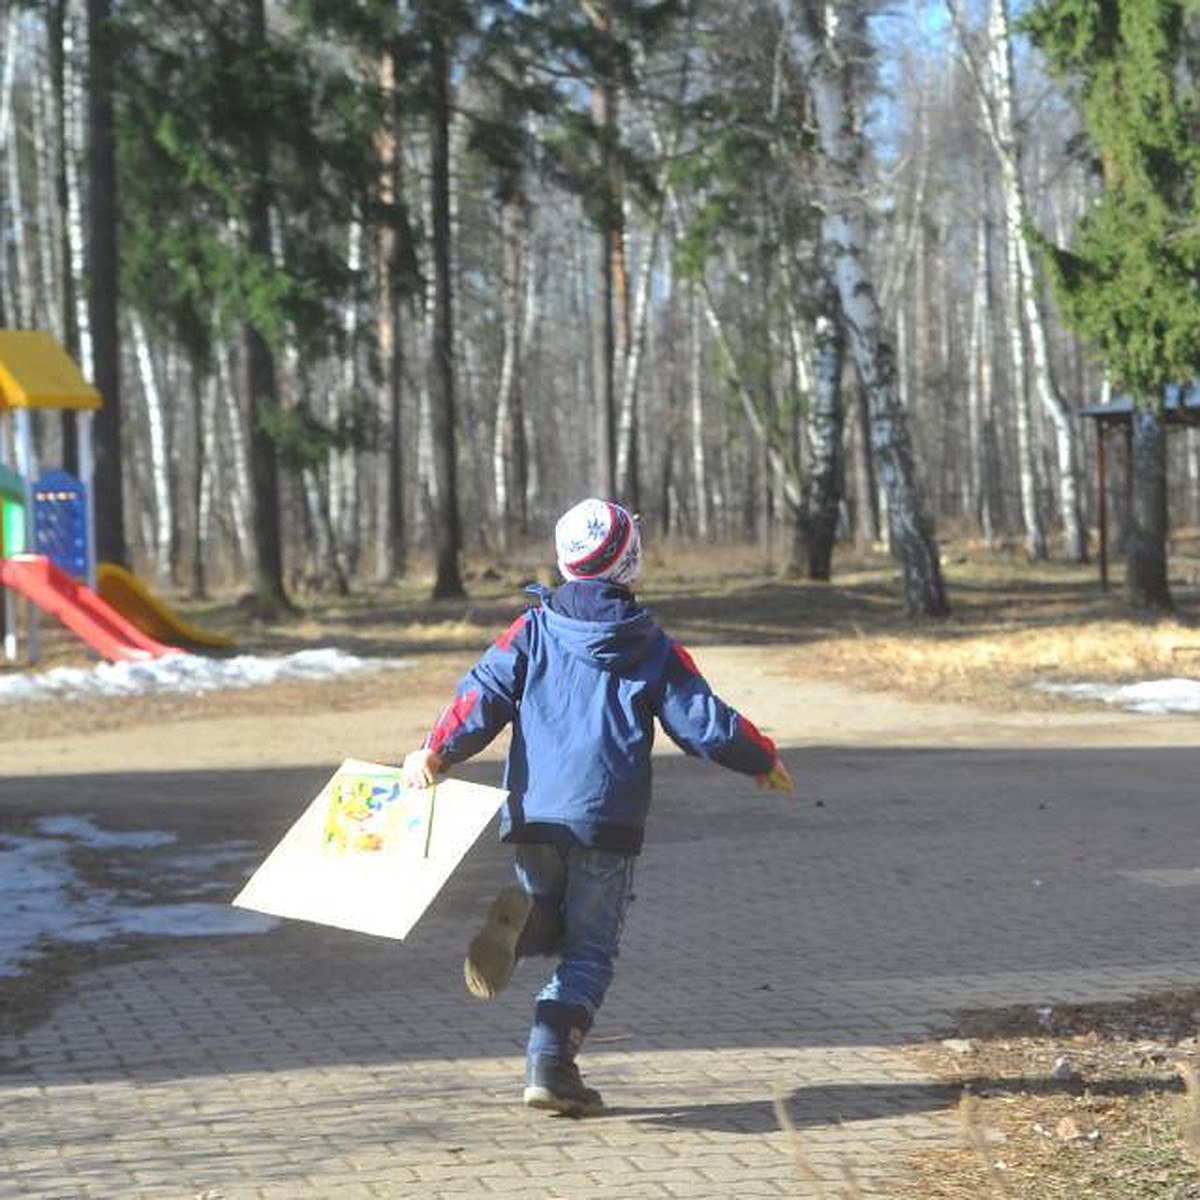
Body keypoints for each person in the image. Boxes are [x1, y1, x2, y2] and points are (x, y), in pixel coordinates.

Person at [402, 498, 794, 1116]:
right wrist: (760, 757)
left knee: (551, 911)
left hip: (533, 815)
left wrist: (436, 750)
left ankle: (524, 928)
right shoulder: (649, 644)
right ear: (628, 564)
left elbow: (482, 692)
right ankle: (551, 1063)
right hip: (604, 821)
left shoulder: (531, 629)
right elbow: (706, 724)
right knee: (591, 947)